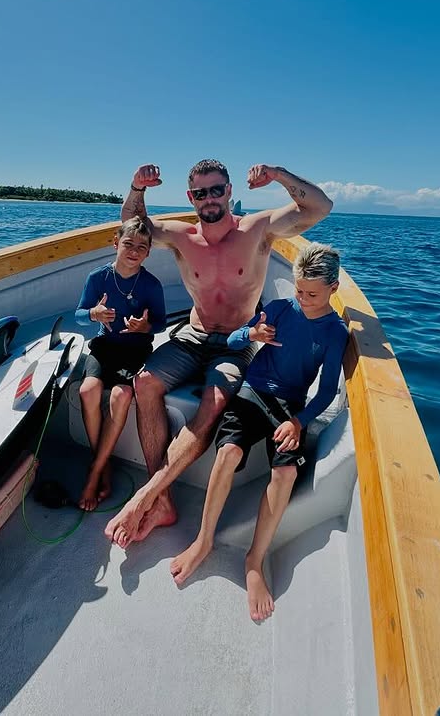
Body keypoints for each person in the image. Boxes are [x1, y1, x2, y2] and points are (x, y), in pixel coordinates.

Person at [104, 159, 333, 547]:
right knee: (144, 383)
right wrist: (137, 188)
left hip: (237, 344)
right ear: (190, 197)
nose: (208, 198)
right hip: (192, 336)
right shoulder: (181, 235)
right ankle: (162, 501)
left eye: (216, 190)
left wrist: (277, 175)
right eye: (200, 192)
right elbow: (131, 224)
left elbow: (319, 208)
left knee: (214, 403)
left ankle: (146, 494)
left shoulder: (257, 229)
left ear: (228, 191)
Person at [168, 243, 349, 621]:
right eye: (299, 290)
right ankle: (203, 541)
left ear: (333, 288)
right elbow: (235, 340)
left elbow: (328, 389)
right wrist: (253, 334)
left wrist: (298, 421)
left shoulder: (335, 332)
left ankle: (254, 560)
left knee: (285, 473)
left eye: (312, 294)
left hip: (290, 410)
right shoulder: (282, 309)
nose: (303, 298)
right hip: (252, 393)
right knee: (228, 452)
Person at [75, 218, 166, 510]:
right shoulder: (97, 278)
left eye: (142, 247)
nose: (134, 251)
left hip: (135, 352)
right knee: (87, 391)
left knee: (122, 394)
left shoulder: (151, 284)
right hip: (104, 347)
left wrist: (144, 327)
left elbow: (161, 324)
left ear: (149, 252)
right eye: (128, 244)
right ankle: (102, 464)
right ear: (115, 243)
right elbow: (78, 314)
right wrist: (94, 314)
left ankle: (94, 471)